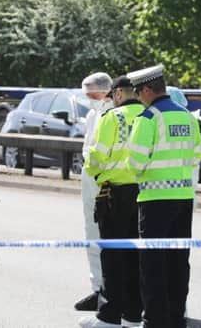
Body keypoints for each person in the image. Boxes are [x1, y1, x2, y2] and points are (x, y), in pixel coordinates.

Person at [125, 64, 201, 328]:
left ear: (147, 90)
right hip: (183, 197)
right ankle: (176, 317)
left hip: (155, 199)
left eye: (138, 92)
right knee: (179, 261)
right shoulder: (187, 117)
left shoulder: (148, 118)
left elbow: (134, 162)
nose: (138, 97)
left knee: (153, 263)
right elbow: (196, 156)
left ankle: (155, 320)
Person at [79, 76, 145, 328]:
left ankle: (109, 316)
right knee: (134, 257)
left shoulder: (112, 117)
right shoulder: (148, 116)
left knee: (112, 255)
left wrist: (95, 175)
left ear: (117, 94)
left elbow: (96, 155)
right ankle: (132, 315)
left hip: (113, 192)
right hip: (142, 193)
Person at [76, 72, 114, 311]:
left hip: (107, 181)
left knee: (109, 237)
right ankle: (97, 288)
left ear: (105, 91)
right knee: (91, 235)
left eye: (91, 94)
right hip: (90, 179)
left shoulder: (113, 114)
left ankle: (111, 292)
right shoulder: (93, 114)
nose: (88, 98)